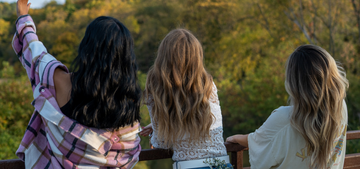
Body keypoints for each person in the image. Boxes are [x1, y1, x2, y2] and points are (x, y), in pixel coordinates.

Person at [13, 0, 142, 168]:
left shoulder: (60, 82)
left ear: (86, 49)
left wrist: (24, 18)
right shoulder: (129, 100)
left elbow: (35, 52)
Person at [226, 45, 349, 169]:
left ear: (295, 83)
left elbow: (260, 141)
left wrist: (236, 138)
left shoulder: (285, 118)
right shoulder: (340, 108)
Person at [140, 29, 231, 169]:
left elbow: (161, 143)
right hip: (221, 165)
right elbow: (209, 124)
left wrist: (158, 128)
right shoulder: (207, 84)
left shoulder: (156, 88)